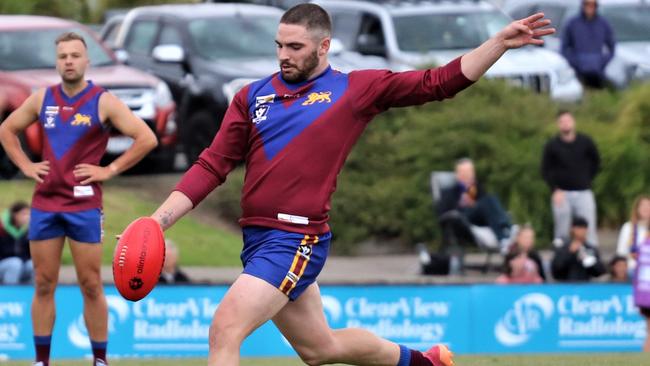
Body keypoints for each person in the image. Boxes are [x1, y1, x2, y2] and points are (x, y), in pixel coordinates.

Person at [138, 4, 554, 365]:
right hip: (258, 241)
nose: (284, 55)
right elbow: (212, 165)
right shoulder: (252, 96)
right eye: (280, 46)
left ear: (324, 47)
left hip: (295, 238)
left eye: (295, 47)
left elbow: (439, 82)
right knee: (322, 348)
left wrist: (497, 43)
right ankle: (425, 362)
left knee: (225, 329)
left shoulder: (353, 89)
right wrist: (157, 222)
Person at [0, 32, 157, 366]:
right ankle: (41, 361)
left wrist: (110, 169)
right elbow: (6, 130)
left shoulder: (102, 101)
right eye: (62, 56)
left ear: (86, 61)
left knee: (90, 284)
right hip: (45, 204)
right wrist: (26, 165)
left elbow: (146, 138)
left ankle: (100, 360)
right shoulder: (42, 98)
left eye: (74, 55)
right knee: (43, 283)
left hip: (84, 206)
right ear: (56, 62)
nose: (68, 61)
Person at [541, 110, 600, 246]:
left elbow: (596, 162)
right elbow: (545, 170)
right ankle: (561, 259)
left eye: (568, 120)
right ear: (558, 124)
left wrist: (587, 180)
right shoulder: (552, 145)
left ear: (573, 122)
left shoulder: (586, 142)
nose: (565, 124)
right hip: (562, 193)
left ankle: (592, 259)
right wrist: (555, 189)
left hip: (583, 191)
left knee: (589, 229)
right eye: (562, 121)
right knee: (562, 232)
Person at [438, 158, 514, 251]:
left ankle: (504, 235)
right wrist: (461, 203)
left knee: (491, 198)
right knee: (486, 201)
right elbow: (443, 212)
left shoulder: (477, 188)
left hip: (478, 221)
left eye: (470, 171)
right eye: (465, 172)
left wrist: (474, 202)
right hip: (461, 220)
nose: (468, 175)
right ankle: (507, 230)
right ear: (458, 174)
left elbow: (488, 210)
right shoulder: (449, 192)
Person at [561, 0, 615, 88]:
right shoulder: (572, 23)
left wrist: (602, 61)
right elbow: (563, 48)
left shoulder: (603, 24)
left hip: (597, 72)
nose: (590, 7)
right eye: (587, 4)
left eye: (593, 4)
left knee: (599, 97)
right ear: (582, 5)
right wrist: (575, 62)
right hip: (578, 73)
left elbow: (612, 47)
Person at [551, 216, 606, 282]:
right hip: (566, 287)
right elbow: (555, 270)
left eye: (584, 228)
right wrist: (569, 253)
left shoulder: (590, 248)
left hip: (585, 286)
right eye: (579, 228)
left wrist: (589, 260)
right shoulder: (562, 247)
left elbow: (600, 271)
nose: (582, 231)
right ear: (572, 229)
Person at [616, 195, 650, 275]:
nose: (646, 208)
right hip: (632, 269)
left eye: (648, 206)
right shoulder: (627, 227)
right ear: (637, 209)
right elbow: (621, 253)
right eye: (643, 206)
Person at [0, 201, 31, 284]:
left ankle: (32, 294)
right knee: (15, 264)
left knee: (32, 265)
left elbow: (30, 254)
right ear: (15, 215)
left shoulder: (27, 231)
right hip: (4, 265)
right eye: (24, 214)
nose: (27, 217)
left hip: (20, 264)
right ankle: (10, 295)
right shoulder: (2, 229)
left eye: (28, 214)